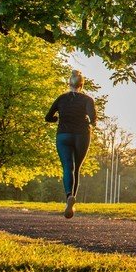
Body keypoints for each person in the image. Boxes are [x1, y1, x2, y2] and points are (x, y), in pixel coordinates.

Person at [46, 70, 97, 218]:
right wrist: (89, 121)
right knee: (77, 168)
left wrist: (56, 119)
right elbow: (93, 119)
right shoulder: (87, 99)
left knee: (68, 167)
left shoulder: (61, 99)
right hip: (82, 135)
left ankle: (69, 195)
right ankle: (72, 200)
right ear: (82, 85)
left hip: (63, 135)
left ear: (69, 83)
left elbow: (48, 117)